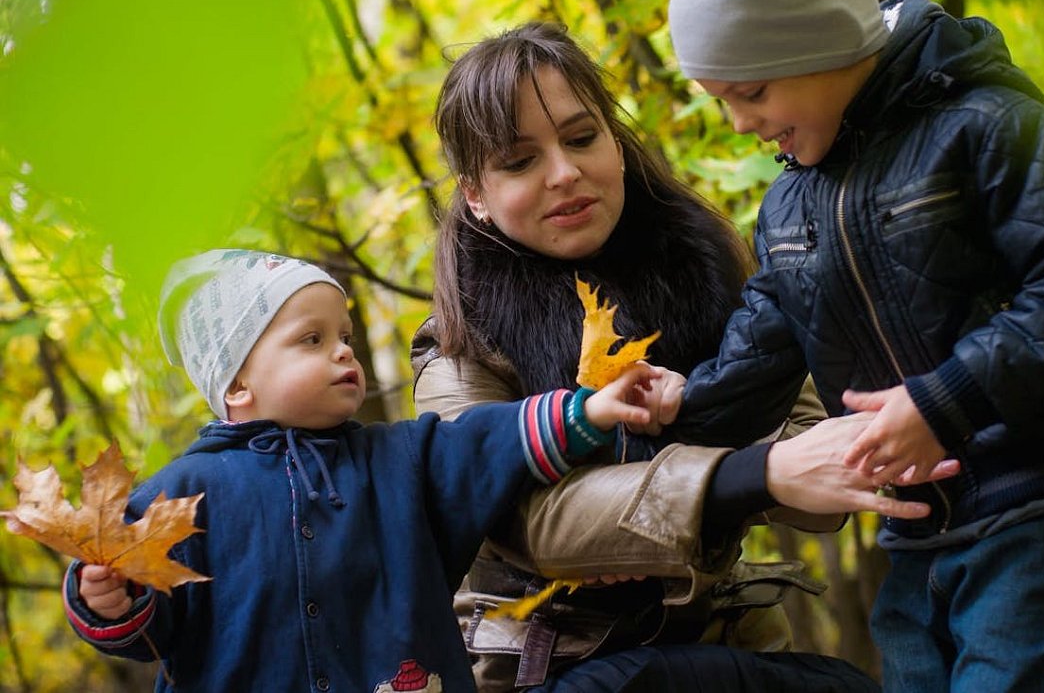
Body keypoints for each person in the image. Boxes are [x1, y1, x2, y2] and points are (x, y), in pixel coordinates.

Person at [664, 0, 1044, 691]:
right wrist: (678, 406)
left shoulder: (985, 126)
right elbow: (762, 344)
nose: (740, 123)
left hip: (1040, 509)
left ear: (823, 41)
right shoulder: (791, 207)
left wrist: (945, 402)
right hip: (917, 532)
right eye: (722, 99)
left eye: (751, 92)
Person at [416, 21, 957, 692]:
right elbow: (537, 525)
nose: (565, 173)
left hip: (721, 636)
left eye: (583, 138)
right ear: (476, 194)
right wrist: (754, 476)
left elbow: (819, 471)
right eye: (520, 161)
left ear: (614, 141)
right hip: (545, 663)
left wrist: (706, 413)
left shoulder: (709, 267)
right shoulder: (458, 343)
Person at [61, 248, 661, 693]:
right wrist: (110, 600)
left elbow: (489, 442)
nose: (344, 350)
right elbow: (142, 624)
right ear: (237, 383)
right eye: (312, 339)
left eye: (344, 335)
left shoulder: (400, 459)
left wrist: (589, 410)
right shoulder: (182, 496)